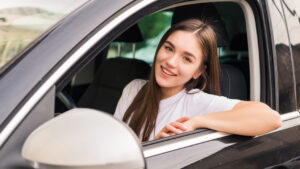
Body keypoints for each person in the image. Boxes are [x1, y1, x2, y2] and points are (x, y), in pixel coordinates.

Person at [114, 19, 282, 142]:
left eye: (187, 59)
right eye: (168, 48)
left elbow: (271, 118)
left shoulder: (197, 102)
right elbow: (114, 145)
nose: (170, 62)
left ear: (199, 71)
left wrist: (196, 122)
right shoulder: (134, 89)